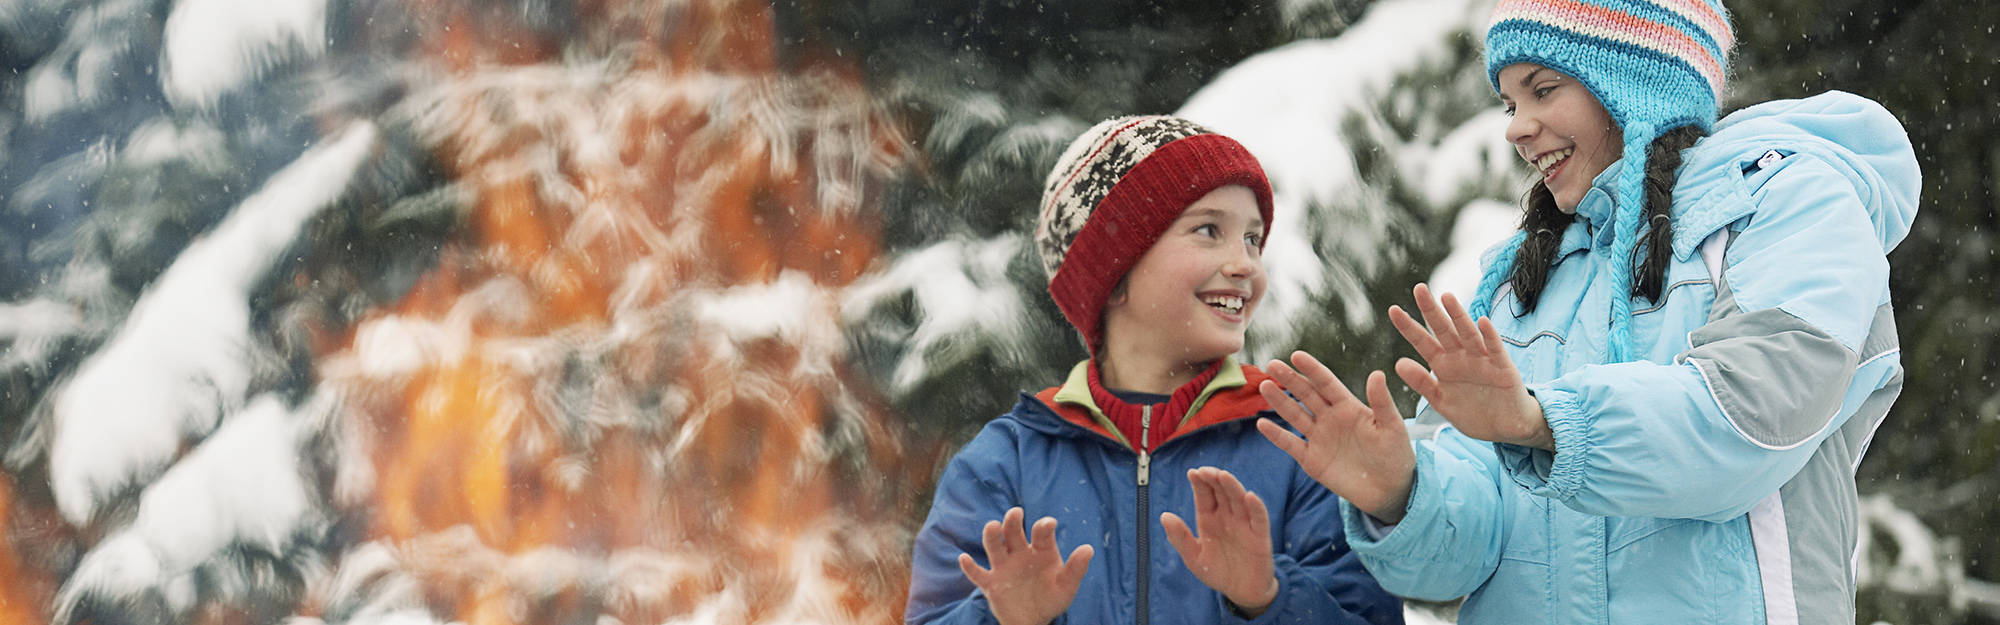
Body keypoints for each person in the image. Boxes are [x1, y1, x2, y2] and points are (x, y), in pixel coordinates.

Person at [1253, 0, 1920, 623]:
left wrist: (1543, 421)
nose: (1515, 127)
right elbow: (1467, 553)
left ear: (1638, 80)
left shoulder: (1789, 202)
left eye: (1543, 91)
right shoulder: (1523, 277)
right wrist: (1402, 492)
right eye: (1509, 101)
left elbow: (1748, 420)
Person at [905, 116, 1404, 625]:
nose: (1247, 264)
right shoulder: (1005, 462)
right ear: (1114, 274)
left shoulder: (1295, 441)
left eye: (1253, 239)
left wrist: (1268, 600)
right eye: (1209, 230)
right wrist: (1006, 620)